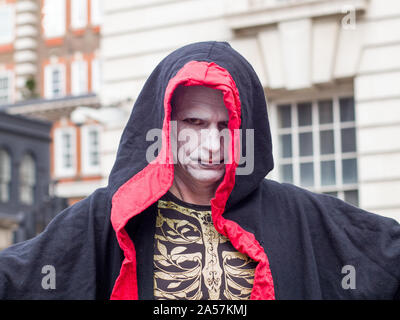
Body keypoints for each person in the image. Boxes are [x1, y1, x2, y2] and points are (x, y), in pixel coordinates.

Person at [0, 41, 399, 300]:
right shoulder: (108, 217)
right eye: (194, 123)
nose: (212, 146)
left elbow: (386, 257)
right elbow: (18, 279)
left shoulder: (295, 213)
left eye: (226, 127)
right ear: (165, 125)